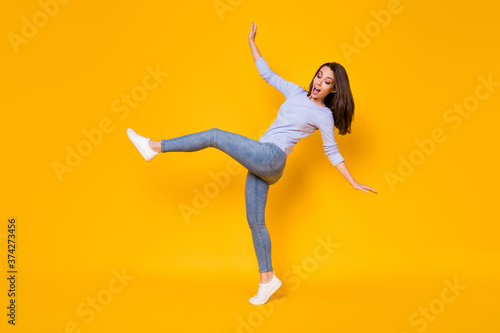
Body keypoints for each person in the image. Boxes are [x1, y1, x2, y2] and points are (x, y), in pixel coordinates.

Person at [126, 22, 377, 305]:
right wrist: (251, 42)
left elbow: (332, 153)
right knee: (255, 222)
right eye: (319, 76)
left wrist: (353, 181)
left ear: (334, 90)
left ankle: (153, 147)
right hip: (265, 163)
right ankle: (268, 280)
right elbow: (267, 74)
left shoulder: (324, 116)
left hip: (271, 156)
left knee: (214, 136)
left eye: (327, 82)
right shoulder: (296, 92)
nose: (319, 83)